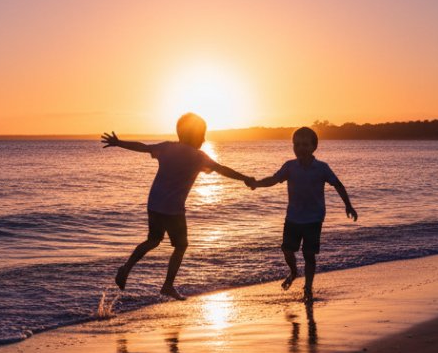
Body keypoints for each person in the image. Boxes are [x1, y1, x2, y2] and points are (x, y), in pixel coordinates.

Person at [101, 112, 254, 299]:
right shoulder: (199, 157)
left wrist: (119, 143)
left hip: (155, 204)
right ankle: (168, 285)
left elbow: (143, 147)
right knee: (181, 245)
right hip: (173, 209)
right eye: (202, 134)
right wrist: (245, 178)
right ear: (193, 135)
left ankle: (126, 268)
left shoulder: (167, 148)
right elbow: (222, 170)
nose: (204, 139)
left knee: (153, 240)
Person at [249, 126, 357, 300]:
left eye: (304, 145)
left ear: (313, 147)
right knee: (287, 250)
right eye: (296, 144)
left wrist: (348, 206)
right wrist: (257, 184)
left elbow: (338, 184)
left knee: (309, 255)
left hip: (314, 218)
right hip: (293, 217)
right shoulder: (290, 166)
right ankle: (293, 272)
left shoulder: (322, 168)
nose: (300, 148)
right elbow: (274, 179)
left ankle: (308, 288)